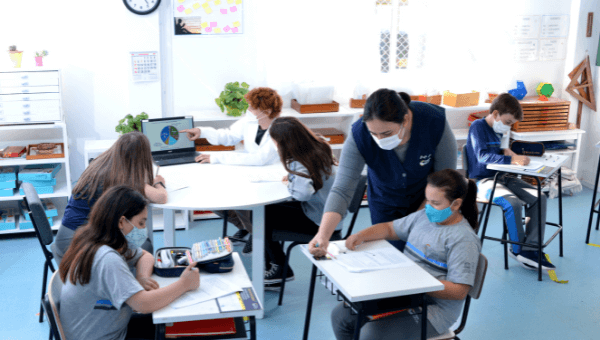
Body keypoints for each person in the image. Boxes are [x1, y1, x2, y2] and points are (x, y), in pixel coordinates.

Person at [331, 169, 481, 340]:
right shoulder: (423, 217)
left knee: (370, 335)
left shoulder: (463, 240)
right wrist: (360, 235)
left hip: (434, 310)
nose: (428, 208)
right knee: (340, 317)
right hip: (406, 293)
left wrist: (417, 281)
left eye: (435, 203)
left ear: (455, 204)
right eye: (427, 201)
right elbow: (389, 228)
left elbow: (459, 291)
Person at [310, 89, 457, 257]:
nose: (380, 139)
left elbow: (445, 181)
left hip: (428, 199)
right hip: (385, 202)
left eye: (387, 133)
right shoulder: (359, 134)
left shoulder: (433, 122)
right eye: (374, 134)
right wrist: (323, 235)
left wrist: (416, 220)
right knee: (391, 255)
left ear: (406, 119)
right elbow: (342, 189)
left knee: (424, 253)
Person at [59, 186, 199, 340]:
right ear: (121, 222)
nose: (143, 229)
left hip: (109, 330)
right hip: (108, 336)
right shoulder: (107, 258)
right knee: (181, 330)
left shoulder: (99, 240)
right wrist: (184, 284)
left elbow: (145, 256)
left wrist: (141, 277)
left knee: (171, 325)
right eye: (140, 223)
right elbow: (143, 304)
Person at [181, 87, 284, 256]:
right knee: (216, 199)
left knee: (242, 201)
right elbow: (228, 136)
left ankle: (263, 242)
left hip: (271, 177)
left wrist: (217, 158)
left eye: (252, 107)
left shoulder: (280, 127)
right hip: (249, 172)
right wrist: (202, 132)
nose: (248, 110)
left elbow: (260, 159)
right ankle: (248, 229)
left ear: (266, 111)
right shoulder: (250, 121)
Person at [466, 93, 554, 270]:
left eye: (511, 124)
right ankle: (518, 250)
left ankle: (531, 248)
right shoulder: (477, 126)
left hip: (503, 177)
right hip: (483, 181)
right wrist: (512, 161)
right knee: (511, 202)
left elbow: (505, 152)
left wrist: (515, 157)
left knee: (539, 197)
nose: (508, 126)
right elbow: (482, 157)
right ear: (496, 114)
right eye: (507, 122)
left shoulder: (502, 130)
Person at [52, 132, 167, 265]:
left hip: (67, 236)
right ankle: (134, 281)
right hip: (77, 243)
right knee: (144, 248)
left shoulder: (101, 163)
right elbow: (161, 197)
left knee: (138, 242)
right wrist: (159, 183)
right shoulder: (119, 178)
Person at [263, 117, 343, 286]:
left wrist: (292, 181)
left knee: (262, 215)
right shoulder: (319, 146)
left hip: (320, 223)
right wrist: (294, 178)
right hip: (333, 216)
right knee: (270, 209)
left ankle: (279, 267)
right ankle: (268, 259)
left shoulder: (298, 162)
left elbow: (302, 195)